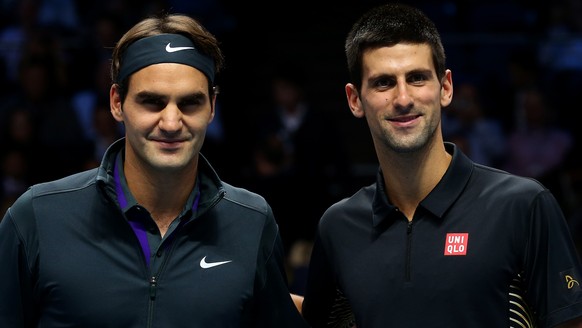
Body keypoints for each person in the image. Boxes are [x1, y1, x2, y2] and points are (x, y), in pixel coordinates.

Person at [0, 13, 308, 328]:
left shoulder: (252, 221)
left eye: (190, 103)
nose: (172, 123)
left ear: (212, 106)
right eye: (152, 102)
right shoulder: (37, 216)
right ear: (117, 102)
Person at [299, 3, 582, 327]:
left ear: (445, 87)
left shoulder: (523, 205)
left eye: (417, 78)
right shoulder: (337, 227)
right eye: (383, 83)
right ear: (355, 100)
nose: (403, 98)